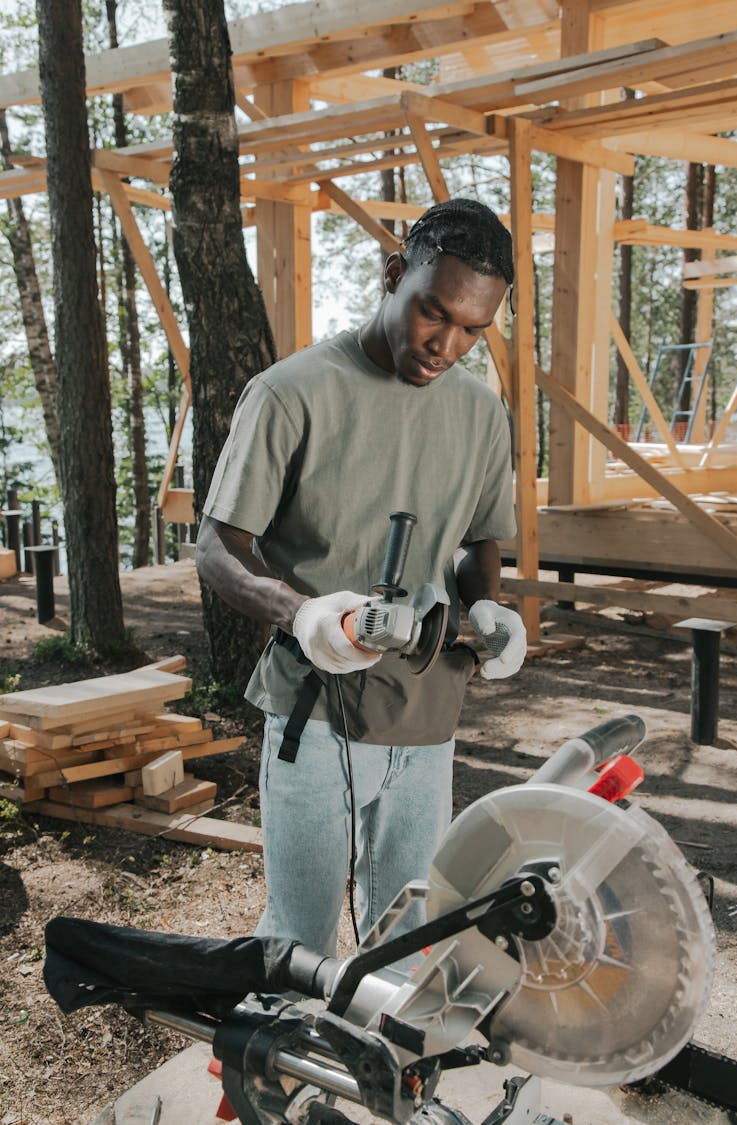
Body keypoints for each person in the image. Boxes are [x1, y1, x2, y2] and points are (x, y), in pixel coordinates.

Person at [196, 197, 526, 958]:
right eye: (432, 313)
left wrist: (488, 608)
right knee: (298, 944)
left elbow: (475, 542)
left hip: (428, 710)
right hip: (315, 714)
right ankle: (270, 1075)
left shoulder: (480, 415)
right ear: (392, 276)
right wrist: (300, 613)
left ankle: (383, 1078)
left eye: (475, 329)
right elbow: (217, 547)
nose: (447, 343)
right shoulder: (291, 393)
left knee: (408, 938)